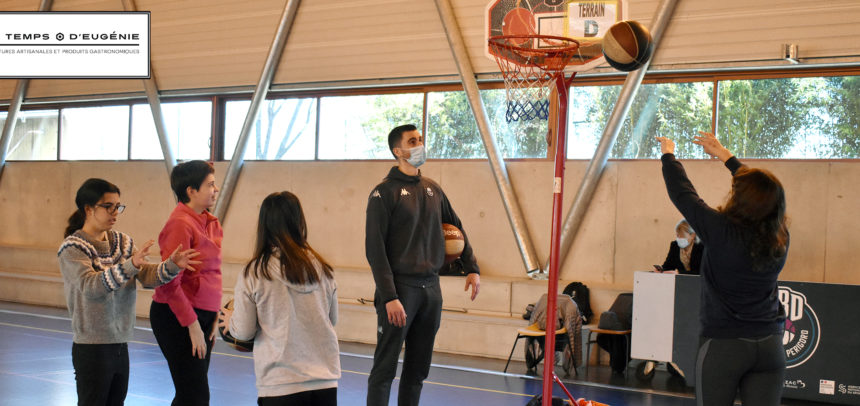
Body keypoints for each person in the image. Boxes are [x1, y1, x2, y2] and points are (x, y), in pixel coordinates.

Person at [656, 132, 789, 406]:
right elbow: (763, 193)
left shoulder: (720, 230)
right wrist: (726, 157)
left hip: (725, 345)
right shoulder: (780, 236)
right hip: (770, 346)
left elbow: (682, 192)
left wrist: (668, 154)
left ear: (740, 199)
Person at [365, 124, 481, 406]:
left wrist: (472, 267)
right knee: (384, 370)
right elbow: (374, 250)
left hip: (431, 290)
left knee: (417, 371)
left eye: (420, 139)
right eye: (412, 141)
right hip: (401, 291)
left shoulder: (433, 189)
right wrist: (390, 296)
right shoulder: (383, 193)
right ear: (398, 151)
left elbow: (456, 227)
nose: (419, 144)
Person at [58, 178, 200, 406]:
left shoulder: (123, 242)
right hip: (91, 347)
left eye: (118, 206)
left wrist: (172, 266)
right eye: (108, 206)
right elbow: (91, 287)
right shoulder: (73, 247)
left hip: (120, 344)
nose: (115, 212)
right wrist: (130, 265)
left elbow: (146, 277)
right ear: (88, 209)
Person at [218, 191, 340, 405]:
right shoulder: (322, 268)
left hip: (280, 383)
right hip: (325, 382)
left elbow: (244, 331)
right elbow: (332, 320)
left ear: (264, 225)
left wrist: (230, 322)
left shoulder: (255, 272)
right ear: (299, 222)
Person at [150, 160, 223, 405]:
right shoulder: (180, 224)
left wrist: (214, 316)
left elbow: (213, 273)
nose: (216, 189)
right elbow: (168, 283)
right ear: (191, 191)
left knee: (191, 395)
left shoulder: (211, 223)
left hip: (203, 316)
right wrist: (192, 325)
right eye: (210, 185)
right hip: (177, 317)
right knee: (195, 395)